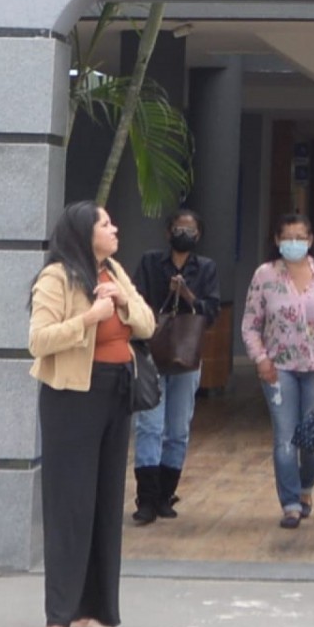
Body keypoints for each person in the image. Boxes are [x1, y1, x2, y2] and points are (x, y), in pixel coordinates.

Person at [27, 201, 156, 627]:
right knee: (70, 505)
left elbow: (147, 322)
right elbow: (38, 340)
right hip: (72, 400)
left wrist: (121, 303)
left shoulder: (115, 270)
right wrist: (90, 317)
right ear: (85, 232)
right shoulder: (58, 278)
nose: (115, 227)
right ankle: (55, 626)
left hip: (115, 395)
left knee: (103, 503)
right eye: (105, 223)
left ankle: (92, 610)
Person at [242, 213, 314, 529]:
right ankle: (289, 503)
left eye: (300, 237)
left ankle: (305, 488)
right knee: (285, 438)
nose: (294, 243)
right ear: (276, 241)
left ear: (311, 240)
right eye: (287, 237)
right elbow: (250, 324)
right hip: (279, 369)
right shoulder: (265, 275)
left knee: (312, 441)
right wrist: (260, 359)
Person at [130, 209, 220, 525]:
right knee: (150, 426)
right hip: (153, 353)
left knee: (178, 429)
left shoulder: (205, 268)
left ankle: (166, 494)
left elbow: (211, 312)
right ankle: (146, 498)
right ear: (168, 232)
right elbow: (135, 301)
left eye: (191, 229)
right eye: (180, 228)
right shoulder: (150, 262)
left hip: (186, 354)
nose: (185, 233)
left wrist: (187, 294)